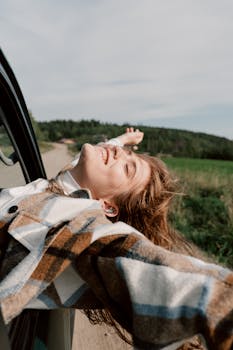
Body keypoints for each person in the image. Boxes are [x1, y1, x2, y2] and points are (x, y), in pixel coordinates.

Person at [0, 128, 233, 349]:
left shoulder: (78, 224)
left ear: (107, 207)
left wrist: (222, 300)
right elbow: (105, 148)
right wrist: (123, 140)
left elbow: (147, 264)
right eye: (127, 154)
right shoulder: (68, 180)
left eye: (127, 169)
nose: (118, 153)